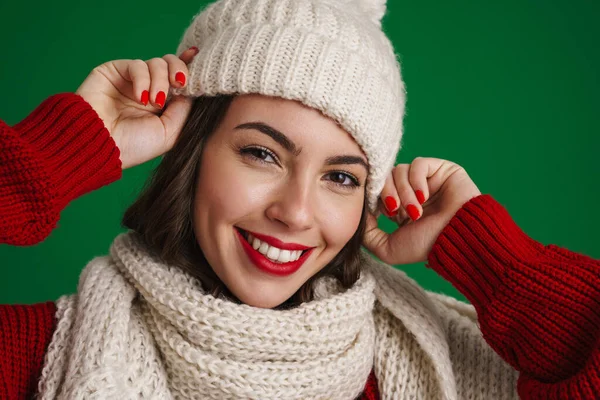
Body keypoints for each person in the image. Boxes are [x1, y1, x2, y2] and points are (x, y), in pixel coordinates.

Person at [0, 0, 598, 399]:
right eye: (262, 153)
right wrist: (52, 156)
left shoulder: (427, 364)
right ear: (190, 151)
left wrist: (492, 258)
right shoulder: (41, 354)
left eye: (341, 177)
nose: (297, 212)